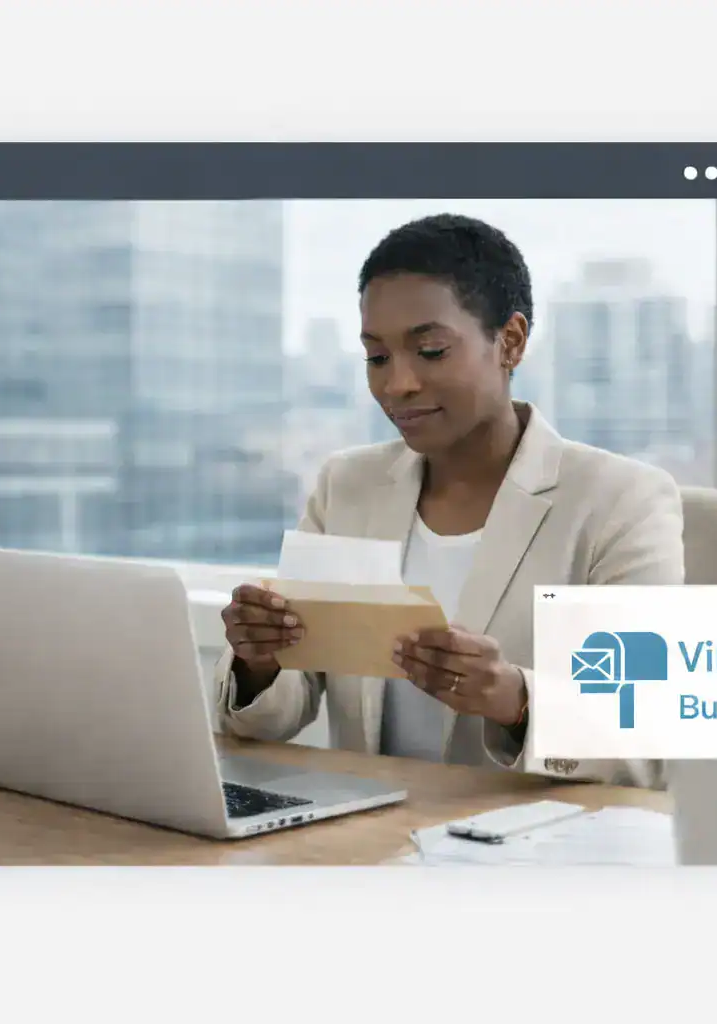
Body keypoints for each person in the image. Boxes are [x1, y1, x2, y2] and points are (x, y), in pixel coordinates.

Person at [211, 213, 685, 790]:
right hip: (371, 844)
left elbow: (647, 741)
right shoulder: (347, 486)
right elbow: (282, 709)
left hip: (529, 854)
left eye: (430, 351)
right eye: (377, 358)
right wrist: (259, 661)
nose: (397, 384)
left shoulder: (619, 500)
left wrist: (515, 699)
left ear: (509, 341)